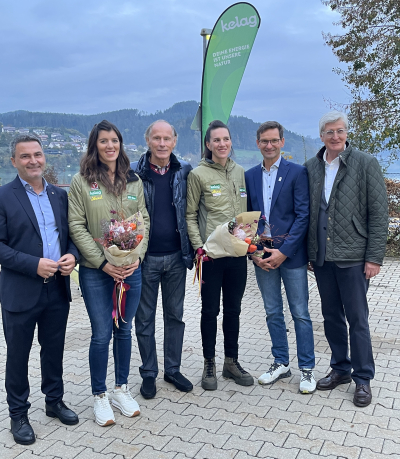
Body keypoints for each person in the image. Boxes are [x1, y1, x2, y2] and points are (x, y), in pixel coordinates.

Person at [68, 120, 150, 426]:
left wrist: (135, 258)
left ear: (120, 144)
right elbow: (76, 226)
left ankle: (120, 388)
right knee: (102, 334)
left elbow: (144, 222)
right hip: (95, 271)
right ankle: (99, 396)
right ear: (94, 145)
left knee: (124, 330)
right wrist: (104, 263)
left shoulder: (133, 181)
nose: (110, 146)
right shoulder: (81, 182)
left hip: (130, 270)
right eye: (103, 141)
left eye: (114, 140)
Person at [0, 134, 79, 445]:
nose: (33, 160)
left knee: (54, 349)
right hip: (20, 291)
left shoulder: (60, 195)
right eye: (25, 156)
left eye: (37, 154)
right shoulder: (4, 196)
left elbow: (70, 234)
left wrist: (72, 254)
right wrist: (33, 264)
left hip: (57, 289)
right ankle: (18, 414)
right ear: (14, 161)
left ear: (44, 157)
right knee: (18, 356)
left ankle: (54, 401)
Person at [305, 110, 388, 407]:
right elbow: (307, 215)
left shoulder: (365, 163)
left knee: (357, 319)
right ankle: (340, 368)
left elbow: (379, 215)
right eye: (329, 132)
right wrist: (309, 253)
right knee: (331, 317)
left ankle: (363, 378)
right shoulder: (311, 167)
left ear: (346, 133)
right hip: (323, 259)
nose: (335, 136)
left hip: (354, 256)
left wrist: (374, 257)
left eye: (339, 131)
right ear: (321, 135)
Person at [245, 121, 315, 393]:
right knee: (273, 311)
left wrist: (284, 253)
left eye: (274, 140)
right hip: (262, 256)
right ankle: (281, 363)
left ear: (282, 142)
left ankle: (307, 368)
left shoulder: (297, 173)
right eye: (264, 141)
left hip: (291, 256)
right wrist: (253, 254)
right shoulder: (250, 175)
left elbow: (303, 216)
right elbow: (246, 219)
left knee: (300, 313)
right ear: (258, 143)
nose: (269, 145)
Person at [186, 119, 254, 390]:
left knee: (234, 310)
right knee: (210, 311)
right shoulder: (198, 175)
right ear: (208, 144)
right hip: (211, 257)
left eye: (226, 139)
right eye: (216, 140)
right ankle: (209, 363)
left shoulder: (240, 172)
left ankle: (231, 362)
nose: (222, 144)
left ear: (231, 141)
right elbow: (190, 216)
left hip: (237, 255)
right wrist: (199, 248)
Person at [131, 120, 194, 399]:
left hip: (176, 258)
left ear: (175, 141)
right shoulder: (133, 173)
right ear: (147, 141)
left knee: (175, 316)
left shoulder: (184, 171)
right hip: (144, 259)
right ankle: (148, 373)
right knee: (144, 319)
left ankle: (172, 369)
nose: (161, 143)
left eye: (166, 138)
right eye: (156, 138)